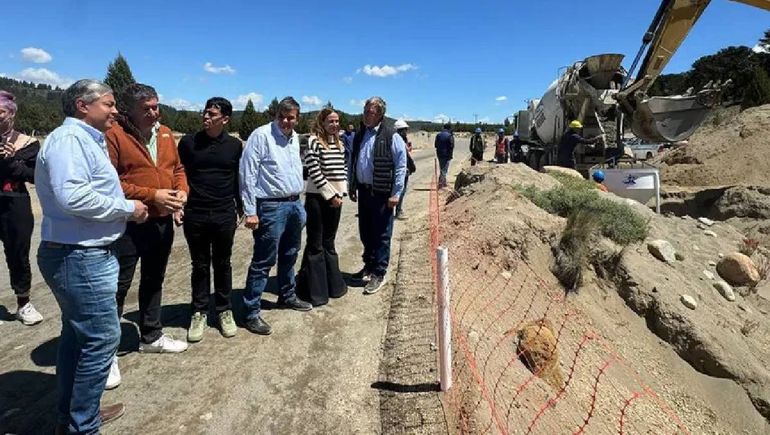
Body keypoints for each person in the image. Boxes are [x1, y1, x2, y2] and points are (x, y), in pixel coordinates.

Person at [36, 79, 149, 434]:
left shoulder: (84, 140)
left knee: (77, 336)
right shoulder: (70, 141)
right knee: (101, 339)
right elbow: (74, 199)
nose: (115, 110)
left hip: (81, 254)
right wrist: (127, 208)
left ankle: (75, 414)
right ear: (82, 106)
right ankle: (82, 426)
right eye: (109, 104)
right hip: (79, 257)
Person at [106, 83, 189, 390]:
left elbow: (177, 169)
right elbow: (110, 182)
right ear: (129, 110)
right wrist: (153, 194)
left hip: (161, 222)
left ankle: (151, 335)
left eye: (156, 106)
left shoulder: (166, 132)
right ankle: (107, 352)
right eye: (148, 108)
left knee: (154, 279)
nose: (155, 112)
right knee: (117, 287)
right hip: (127, 223)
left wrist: (180, 194)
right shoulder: (113, 134)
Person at [240, 97, 312, 335]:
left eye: (290, 117)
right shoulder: (261, 136)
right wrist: (250, 211)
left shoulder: (294, 139)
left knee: (290, 254)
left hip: (294, 203)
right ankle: (251, 312)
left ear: (297, 118)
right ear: (275, 114)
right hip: (270, 206)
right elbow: (247, 174)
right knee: (263, 260)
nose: (285, 121)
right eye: (281, 116)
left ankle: (287, 295)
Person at [177, 97, 242, 342]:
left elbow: (238, 178)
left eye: (212, 114)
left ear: (225, 119)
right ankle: (199, 311)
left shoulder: (234, 146)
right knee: (200, 264)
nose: (206, 117)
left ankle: (225, 310)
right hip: (196, 213)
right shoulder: (188, 143)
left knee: (223, 263)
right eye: (205, 113)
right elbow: (179, 174)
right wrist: (178, 204)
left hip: (224, 212)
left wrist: (241, 207)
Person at [348, 96, 407, 295]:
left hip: (382, 194)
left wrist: (396, 194)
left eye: (370, 112)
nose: (366, 115)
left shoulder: (392, 135)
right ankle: (369, 265)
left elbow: (400, 166)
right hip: (364, 192)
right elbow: (354, 162)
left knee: (382, 234)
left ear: (380, 114)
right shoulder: (360, 135)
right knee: (365, 231)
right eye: (365, 111)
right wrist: (352, 185)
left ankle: (379, 273)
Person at [295, 108, 348, 306]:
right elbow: (314, 172)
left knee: (329, 242)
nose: (334, 125)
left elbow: (342, 169)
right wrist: (331, 195)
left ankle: (334, 286)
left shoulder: (340, 143)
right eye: (330, 121)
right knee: (316, 243)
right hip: (318, 199)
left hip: (336, 199)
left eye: (336, 121)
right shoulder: (313, 141)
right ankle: (315, 293)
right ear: (322, 122)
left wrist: (341, 192)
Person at [0, 91, 43, 325]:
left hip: (14, 201)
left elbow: (36, 176)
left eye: (1, 113)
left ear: (11, 114)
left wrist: (11, 162)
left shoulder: (28, 143)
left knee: (18, 253)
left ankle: (23, 303)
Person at [394, 119, 415, 220]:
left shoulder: (401, 139)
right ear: (401, 130)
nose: (406, 131)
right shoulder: (398, 140)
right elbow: (401, 157)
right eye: (405, 129)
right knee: (401, 190)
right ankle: (398, 211)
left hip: (402, 169)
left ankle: (397, 209)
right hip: (402, 170)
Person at [434, 123, 454, 188]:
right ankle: (441, 184)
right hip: (447, 155)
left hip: (439, 154)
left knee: (442, 168)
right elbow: (451, 146)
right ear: (449, 128)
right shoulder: (449, 136)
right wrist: (450, 155)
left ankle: (443, 183)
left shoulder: (438, 135)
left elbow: (435, 145)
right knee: (444, 170)